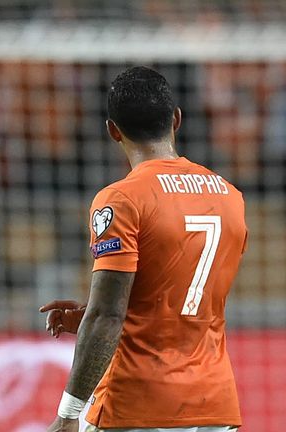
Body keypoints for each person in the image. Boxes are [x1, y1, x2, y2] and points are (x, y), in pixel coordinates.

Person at [41, 66, 246, 432]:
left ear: (112, 130)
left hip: (138, 404)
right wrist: (89, 316)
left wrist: (67, 413)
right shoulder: (230, 196)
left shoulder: (120, 200)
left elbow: (108, 316)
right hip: (214, 404)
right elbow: (181, 290)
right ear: (176, 120)